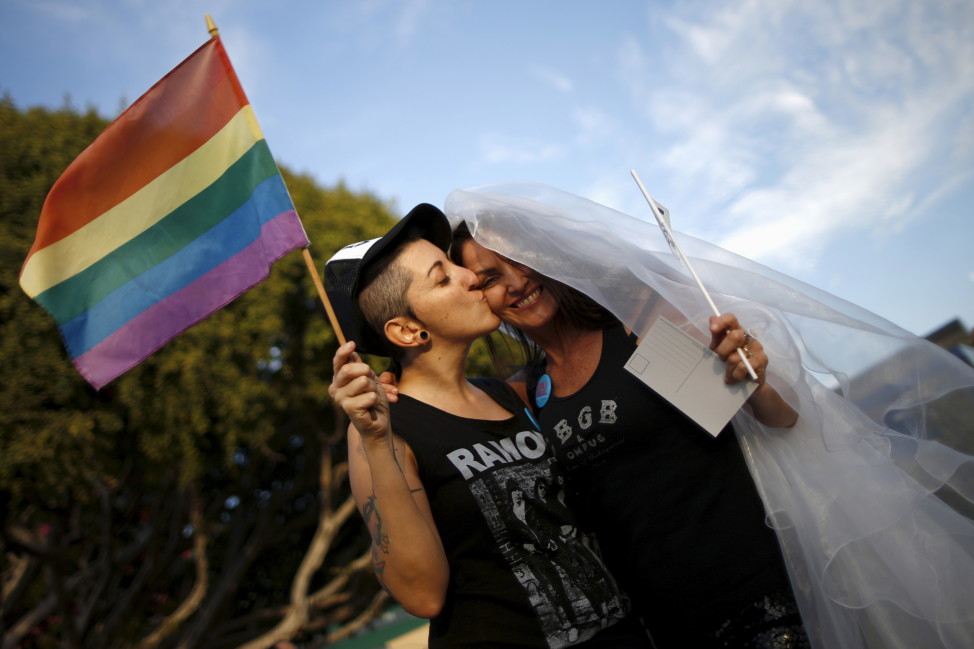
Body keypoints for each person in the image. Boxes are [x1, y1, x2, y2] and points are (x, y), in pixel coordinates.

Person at [443, 182, 974, 649]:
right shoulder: (525, 394)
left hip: (761, 597)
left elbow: (775, 419)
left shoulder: (637, 328)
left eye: (520, 259)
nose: (514, 282)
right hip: (664, 627)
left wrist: (754, 379)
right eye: (489, 276)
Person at [324, 203, 651, 649]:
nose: (471, 276)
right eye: (443, 278)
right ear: (406, 331)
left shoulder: (509, 395)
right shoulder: (383, 428)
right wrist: (377, 441)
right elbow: (422, 596)